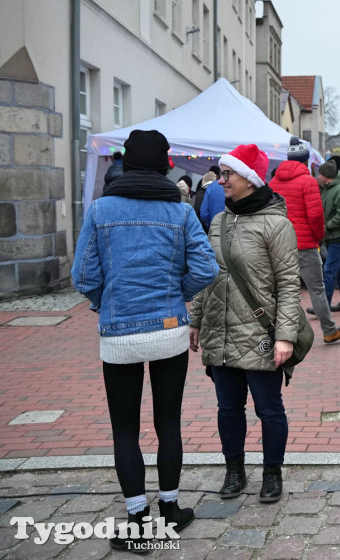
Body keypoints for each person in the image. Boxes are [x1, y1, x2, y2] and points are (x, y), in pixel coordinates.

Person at [71, 130, 218, 551]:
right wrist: (179, 295)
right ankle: (171, 510)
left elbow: (83, 276)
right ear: (165, 164)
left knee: (125, 430)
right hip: (169, 331)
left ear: (128, 163)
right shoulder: (181, 211)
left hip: (120, 335)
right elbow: (206, 269)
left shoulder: (101, 210)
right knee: (168, 423)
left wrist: (108, 304)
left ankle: (137, 521)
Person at [190, 143, 303, 505]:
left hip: (260, 335)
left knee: (268, 409)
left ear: (250, 179)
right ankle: (234, 470)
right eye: (222, 174)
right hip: (219, 331)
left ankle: (272, 472)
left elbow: (288, 284)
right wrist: (195, 320)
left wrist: (285, 336)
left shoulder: (277, 223)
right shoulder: (220, 220)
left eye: (228, 174)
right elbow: (209, 275)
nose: (221, 180)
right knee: (227, 408)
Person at [271, 137, 340, 344]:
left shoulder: (273, 183)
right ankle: (329, 330)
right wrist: (318, 237)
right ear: (306, 160)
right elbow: (315, 216)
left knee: (283, 290)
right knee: (316, 288)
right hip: (305, 244)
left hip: (279, 245)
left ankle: (282, 333)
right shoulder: (308, 182)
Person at [316, 159, 340, 313]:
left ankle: (323, 307)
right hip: (334, 235)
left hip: (337, 235)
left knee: (329, 270)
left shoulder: (338, 189)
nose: (318, 176)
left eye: (320, 174)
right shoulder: (329, 188)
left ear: (327, 176)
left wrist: (328, 226)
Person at [192, 166, 220, 231]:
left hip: (201, 226)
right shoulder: (218, 190)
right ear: (217, 176)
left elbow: (199, 212)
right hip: (213, 226)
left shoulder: (201, 191)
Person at [199, 164, 226, 229]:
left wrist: (210, 225)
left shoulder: (212, 186)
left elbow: (203, 213)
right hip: (230, 230)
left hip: (213, 228)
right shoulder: (235, 186)